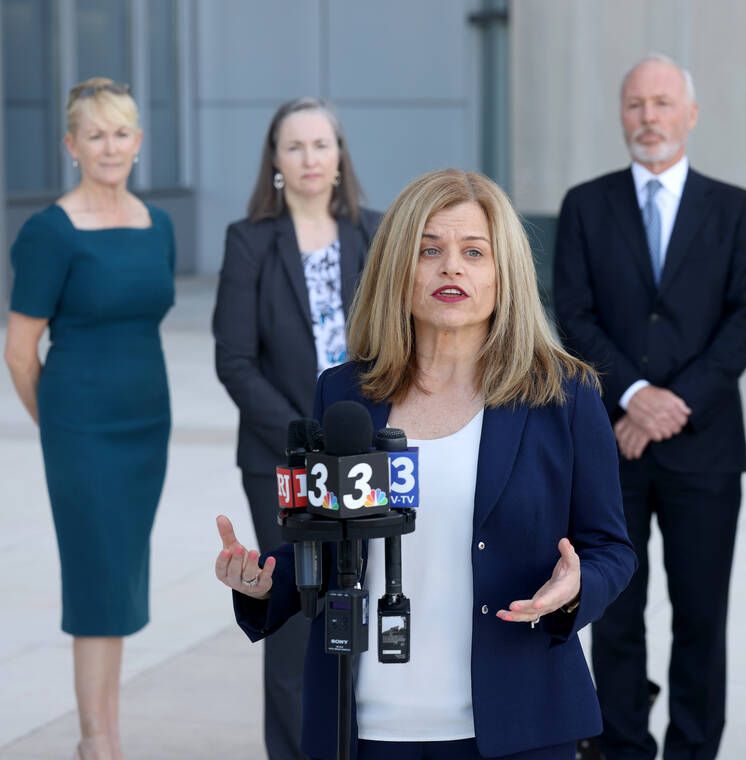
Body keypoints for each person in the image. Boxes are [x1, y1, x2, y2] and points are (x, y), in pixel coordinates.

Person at [213, 169, 636, 760]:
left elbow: (610, 548)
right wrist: (265, 583)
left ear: (503, 272)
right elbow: (330, 543)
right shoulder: (343, 396)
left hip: (517, 725)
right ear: (397, 269)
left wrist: (577, 584)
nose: (451, 268)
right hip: (364, 726)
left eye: (473, 252)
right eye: (429, 250)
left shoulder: (563, 396)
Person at [553, 54, 746, 760]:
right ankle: (619, 747)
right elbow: (574, 315)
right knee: (614, 613)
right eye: (636, 104)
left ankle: (694, 749)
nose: (649, 117)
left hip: (703, 447)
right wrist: (636, 398)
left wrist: (675, 403)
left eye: (663, 103)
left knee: (702, 617)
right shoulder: (585, 205)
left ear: (691, 114)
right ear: (622, 115)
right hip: (613, 443)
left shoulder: (736, 208)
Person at [3, 77, 175, 760]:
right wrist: (60, 431)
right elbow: (19, 352)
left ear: (139, 141)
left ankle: (104, 730)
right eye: (95, 134)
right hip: (81, 428)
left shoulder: (157, 225)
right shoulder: (49, 232)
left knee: (122, 579)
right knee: (97, 580)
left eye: (122, 132)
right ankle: (97, 741)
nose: (110, 146)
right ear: (71, 145)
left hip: (147, 423)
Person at [212, 95, 381, 760]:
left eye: (322, 144)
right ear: (275, 162)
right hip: (281, 459)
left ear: (340, 158)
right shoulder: (249, 240)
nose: (310, 158)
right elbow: (235, 359)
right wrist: (305, 441)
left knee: (361, 602)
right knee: (290, 608)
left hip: (365, 453)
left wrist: (353, 436)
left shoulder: (376, 232)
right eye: (295, 146)